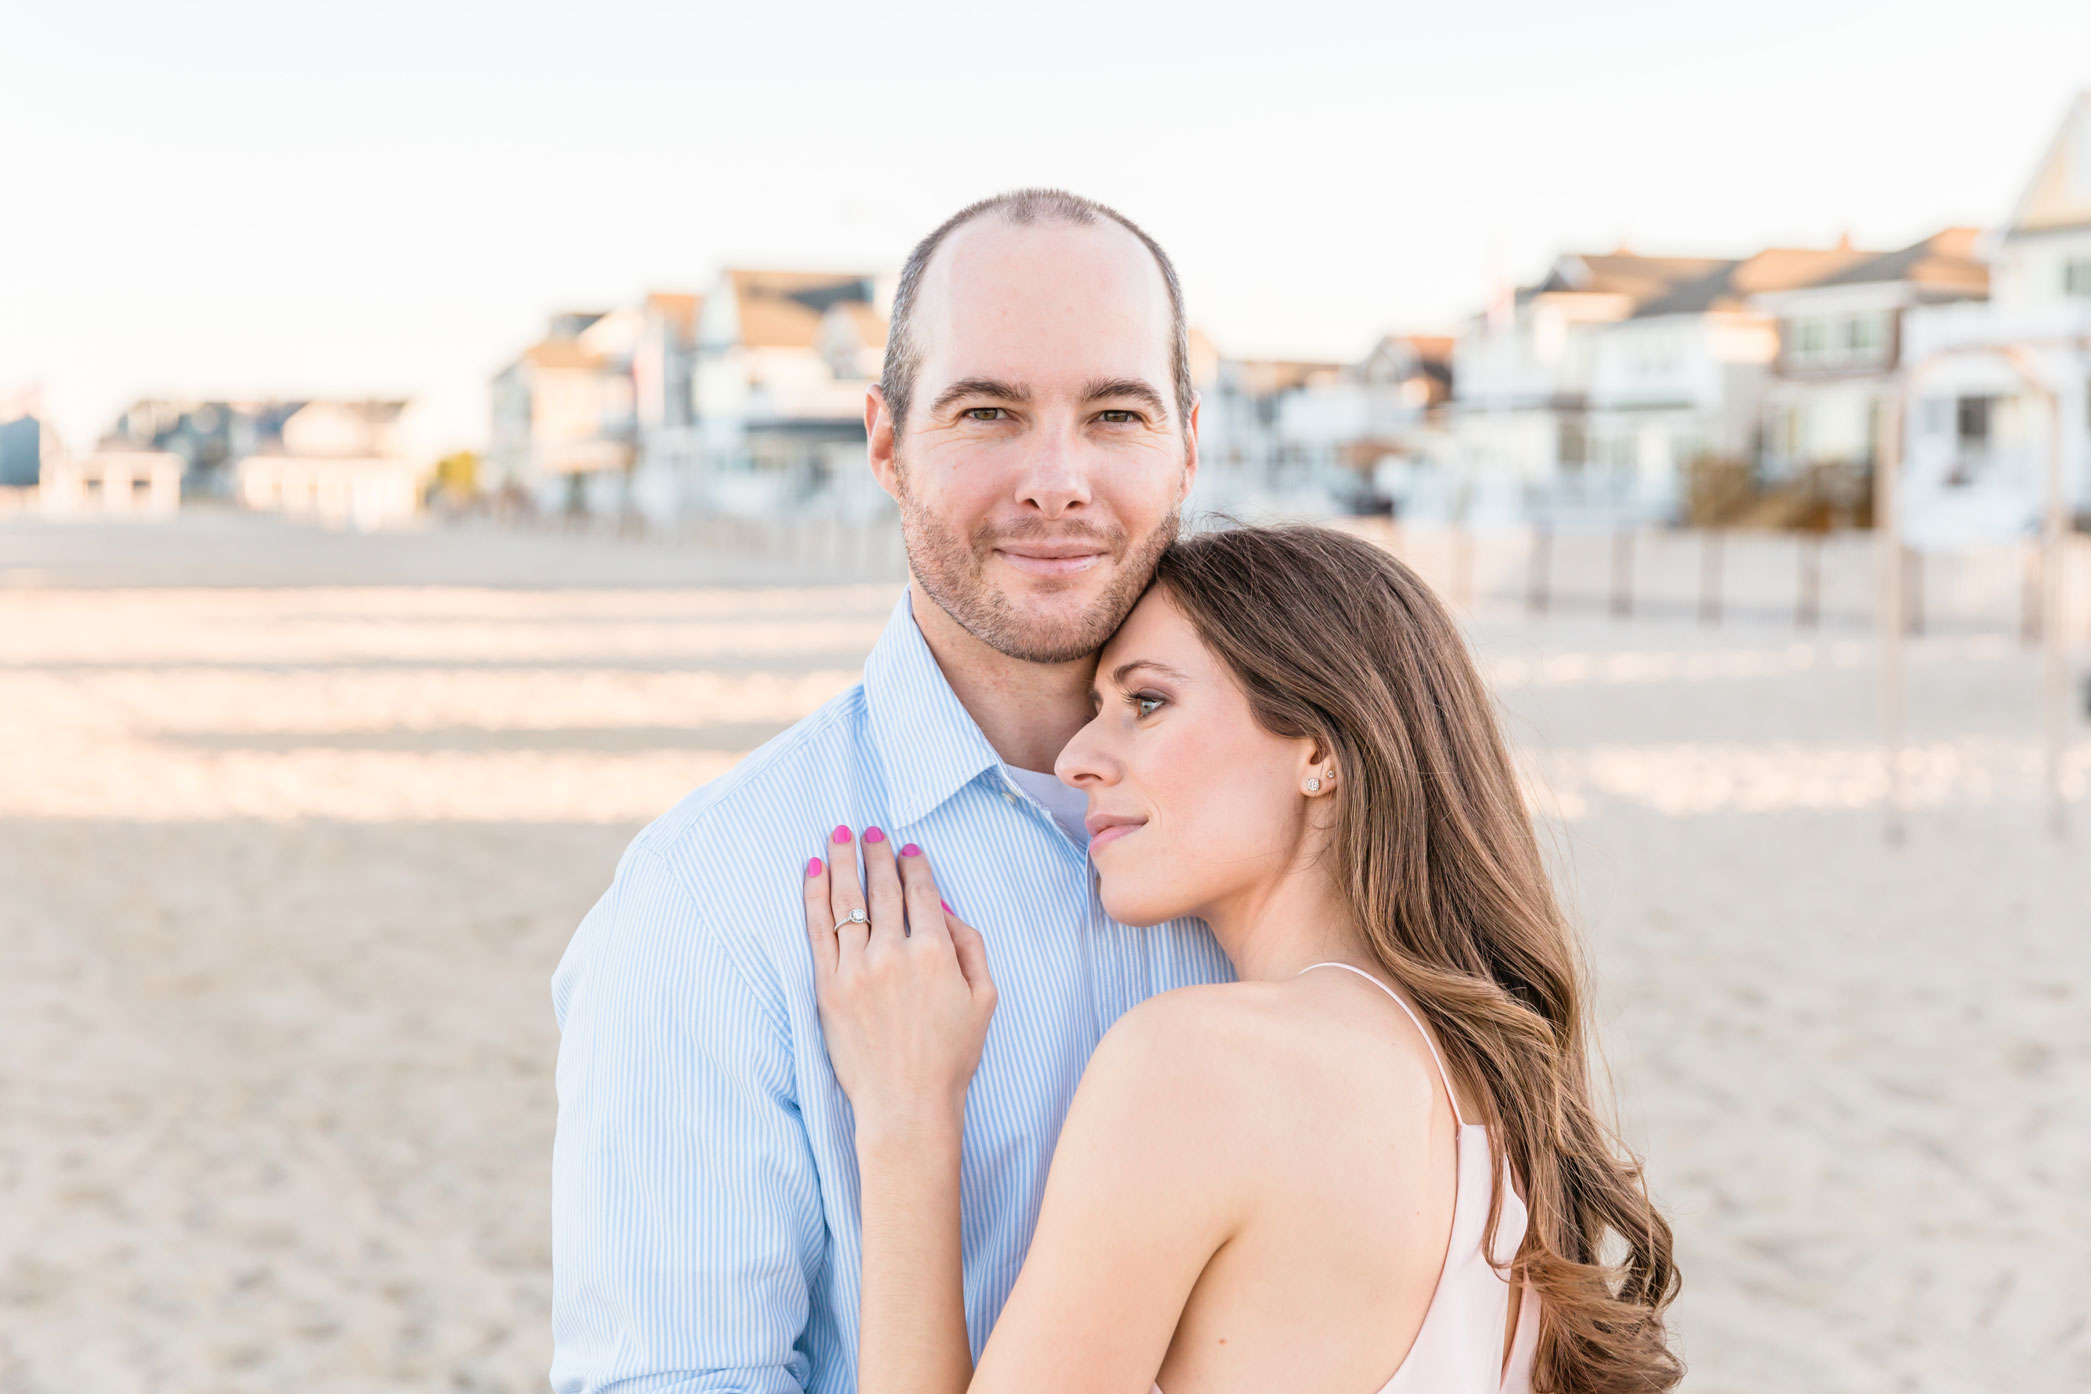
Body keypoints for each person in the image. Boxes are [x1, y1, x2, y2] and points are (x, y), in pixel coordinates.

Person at [549, 189, 1231, 1394]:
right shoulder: (709, 898)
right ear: (884, 439)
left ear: (1188, 440)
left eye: (1115, 412)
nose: (1058, 480)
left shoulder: (1316, 832)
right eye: (988, 411)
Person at [804, 525, 1683, 1394]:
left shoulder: (1201, 1065)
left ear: (1319, 750)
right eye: (1093, 712)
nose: (1076, 759)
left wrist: (906, 1119)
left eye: (1145, 703)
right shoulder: (1504, 1081)